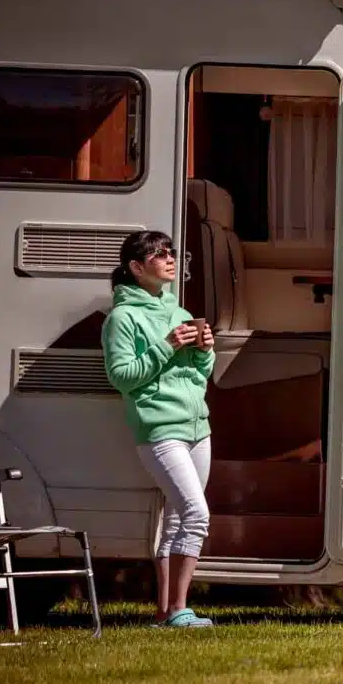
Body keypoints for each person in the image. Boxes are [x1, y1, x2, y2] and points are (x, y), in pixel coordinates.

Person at [101, 230, 216, 628]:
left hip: (197, 426)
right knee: (196, 513)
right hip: (159, 431)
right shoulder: (122, 318)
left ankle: (166, 612)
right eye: (159, 254)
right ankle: (183, 609)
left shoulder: (180, 313)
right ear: (136, 267)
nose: (170, 259)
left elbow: (200, 376)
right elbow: (122, 377)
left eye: (171, 252)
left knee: (175, 519)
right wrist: (166, 345)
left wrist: (204, 350)